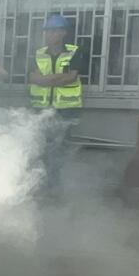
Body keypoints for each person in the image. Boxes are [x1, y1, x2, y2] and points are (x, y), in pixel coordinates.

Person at [30, 13, 87, 192]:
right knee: (42, 148)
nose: (50, 34)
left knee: (60, 148)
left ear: (63, 33)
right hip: (42, 108)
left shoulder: (74, 51)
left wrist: (46, 79)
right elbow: (33, 78)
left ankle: (56, 187)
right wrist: (58, 78)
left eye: (55, 31)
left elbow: (71, 77)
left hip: (66, 109)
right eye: (48, 31)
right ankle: (43, 184)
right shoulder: (39, 53)